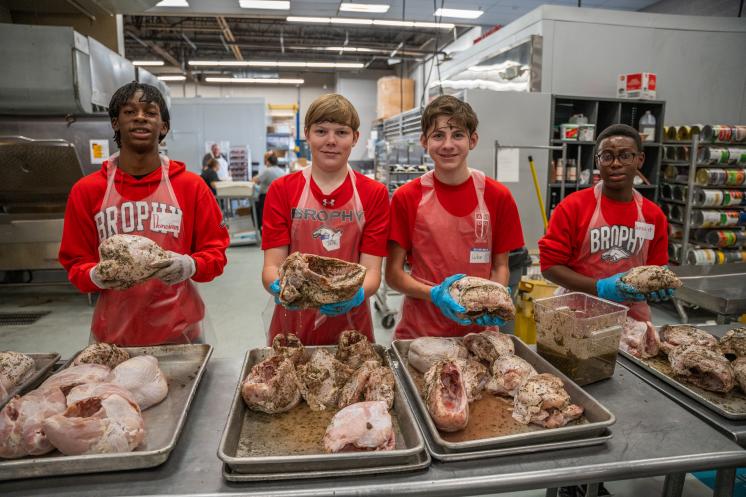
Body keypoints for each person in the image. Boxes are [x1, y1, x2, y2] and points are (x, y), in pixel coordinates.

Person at [58, 82, 229, 346]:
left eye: (150, 112)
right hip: (113, 335)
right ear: (115, 122)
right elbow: (75, 262)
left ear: (164, 126)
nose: (140, 117)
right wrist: (94, 275)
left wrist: (190, 265)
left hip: (181, 331)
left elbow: (215, 255)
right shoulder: (88, 190)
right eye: (130, 111)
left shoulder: (190, 187)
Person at [386, 95, 525, 340]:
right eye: (438, 136)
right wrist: (435, 294)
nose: (448, 145)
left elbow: (500, 266)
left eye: (457, 135)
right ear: (424, 142)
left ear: (472, 140)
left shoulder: (497, 196)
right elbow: (394, 275)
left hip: (479, 333)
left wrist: (494, 299)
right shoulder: (406, 197)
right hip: (421, 332)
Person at [261, 93, 390, 345]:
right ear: (307, 134)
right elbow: (271, 265)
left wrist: (358, 293)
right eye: (321, 131)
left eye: (341, 132)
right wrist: (278, 285)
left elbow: (373, 270)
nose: (331, 141)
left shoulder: (373, 194)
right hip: (292, 321)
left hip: (352, 324)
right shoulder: (282, 190)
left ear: (355, 138)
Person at [538, 123, 673, 322]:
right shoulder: (573, 207)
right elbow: (549, 267)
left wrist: (660, 285)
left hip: (632, 319)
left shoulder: (653, 216)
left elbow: (657, 268)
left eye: (625, 155)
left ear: (640, 160)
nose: (615, 163)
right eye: (607, 156)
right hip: (577, 315)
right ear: (597, 162)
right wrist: (600, 288)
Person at [253, 151, 286, 233]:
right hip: (279, 198)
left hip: (266, 197)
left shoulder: (267, 171)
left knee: (255, 209)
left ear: (268, 162)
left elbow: (255, 180)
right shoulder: (282, 171)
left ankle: (259, 229)